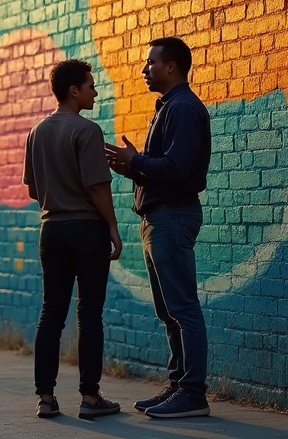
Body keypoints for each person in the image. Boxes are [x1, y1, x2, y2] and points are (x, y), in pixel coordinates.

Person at [105, 37, 212, 419]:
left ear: (171, 67)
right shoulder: (169, 106)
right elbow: (164, 167)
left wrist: (136, 161)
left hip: (172, 217)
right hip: (159, 217)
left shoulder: (182, 108)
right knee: (169, 312)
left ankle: (193, 393)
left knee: (182, 308)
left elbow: (177, 169)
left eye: (150, 63)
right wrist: (132, 166)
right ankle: (179, 385)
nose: (144, 70)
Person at [24, 60, 123, 420]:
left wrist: (58, 198)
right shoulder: (87, 130)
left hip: (51, 230)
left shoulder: (36, 132)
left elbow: (34, 190)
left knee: (51, 313)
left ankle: (46, 399)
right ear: (73, 91)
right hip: (86, 230)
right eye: (91, 86)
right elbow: (97, 186)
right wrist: (112, 227)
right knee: (89, 313)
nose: (95, 92)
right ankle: (90, 399)